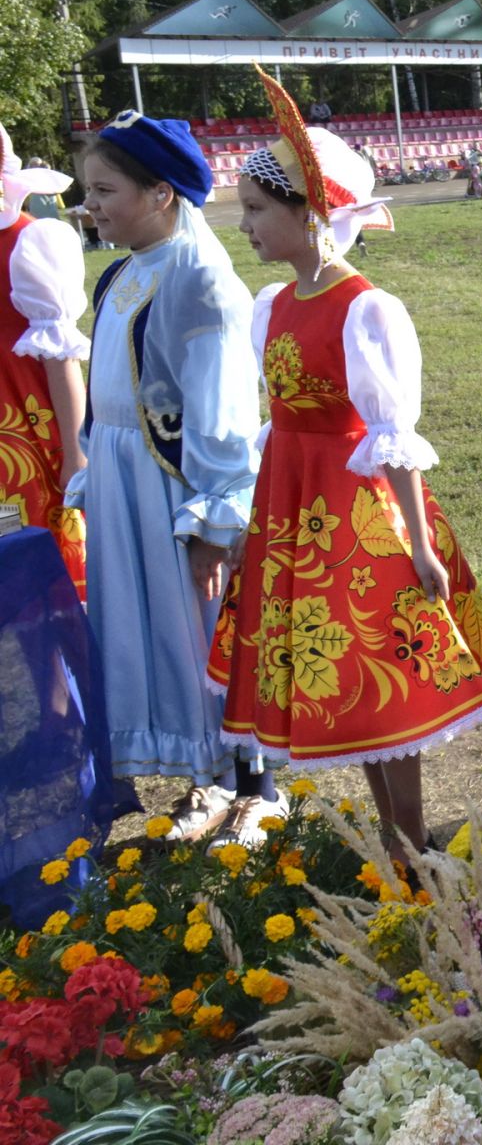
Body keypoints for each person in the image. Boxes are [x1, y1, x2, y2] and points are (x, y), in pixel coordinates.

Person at [211, 70, 482, 862]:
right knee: (331, 671)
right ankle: (393, 837)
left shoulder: (366, 309)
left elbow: (392, 434)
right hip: (289, 503)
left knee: (378, 669)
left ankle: (411, 842)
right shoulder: (271, 305)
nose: (242, 224)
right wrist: (252, 523)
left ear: (310, 214)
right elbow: (271, 419)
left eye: (254, 210)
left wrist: (417, 544)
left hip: (355, 512)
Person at [73, 110, 265, 841]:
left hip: (175, 485)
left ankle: (254, 783)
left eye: (104, 189)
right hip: (125, 477)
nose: (91, 205)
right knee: (156, 631)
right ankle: (205, 776)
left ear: (160, 193)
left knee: (204, 625)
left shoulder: (200, 284)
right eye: (89, 190)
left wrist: (216, 519)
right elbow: (108, 384)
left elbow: (220, 413)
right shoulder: (122, 273)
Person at [1, 125, 89, 594]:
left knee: (27, 555)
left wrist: (74, 453)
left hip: (21, 431)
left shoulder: (29, 242)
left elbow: (61, 357)